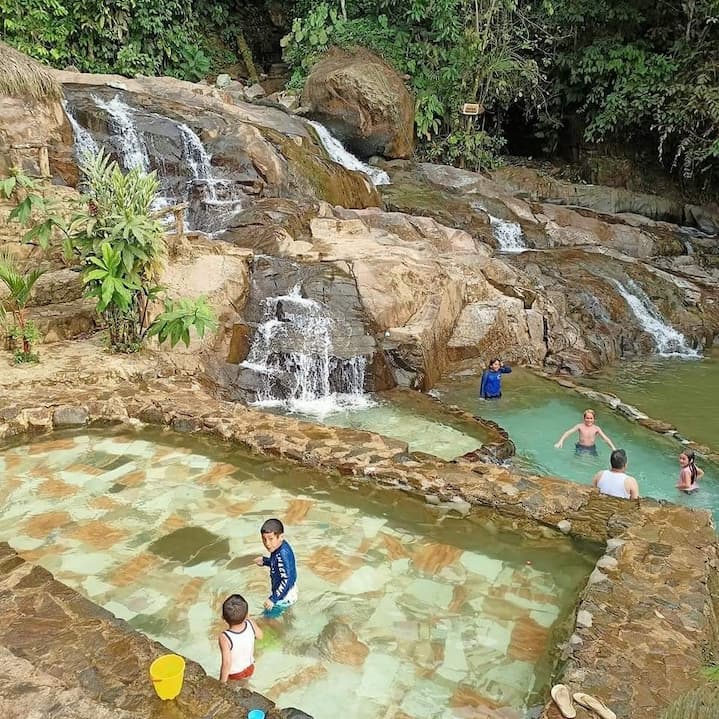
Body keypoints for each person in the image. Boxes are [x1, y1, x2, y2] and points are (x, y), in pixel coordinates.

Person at [253, 518, 297, 614]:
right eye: (264, 539)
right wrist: (265, 561)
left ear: (281, 537)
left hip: (284, 596)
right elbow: (279, 565)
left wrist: (273, 599)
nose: (267, 543)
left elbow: (287, 579)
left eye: (271, 539)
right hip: (286, 592)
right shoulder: (278, 548)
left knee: (267, 619)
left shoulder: (282, 554)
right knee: (286, 616)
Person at [218, 593, 263, 682]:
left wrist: (221, 683)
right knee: (245, 685)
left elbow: (227, 663)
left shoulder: (225, 637)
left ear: (223, 617)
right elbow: (260, 636)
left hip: (235, 674)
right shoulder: (250, 623)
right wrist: (249, 620)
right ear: (247, 615)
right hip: (250, 668)